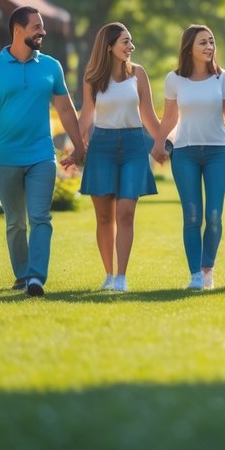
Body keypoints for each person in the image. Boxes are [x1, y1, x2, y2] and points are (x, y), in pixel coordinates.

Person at [0, 6, 86, 298]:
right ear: (18, 30)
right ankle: (22, 273)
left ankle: (36, 277)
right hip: (6, 157)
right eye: (36, 27)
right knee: (16, 221)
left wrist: (80, 146)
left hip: (42, 155)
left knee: (40, 217)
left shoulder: (51, 66)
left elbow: (66, 108)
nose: (42, 32)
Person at [157, 25, 225, 290]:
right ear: (189, 48)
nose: (209, 47)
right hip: (185, 151)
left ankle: (207, 267)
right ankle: (194, 275)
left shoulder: (223, 78)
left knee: (213, 214)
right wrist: (158, 143)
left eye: (211, 42)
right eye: (203, 43)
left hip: (217, 152)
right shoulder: (174, 80)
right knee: (191, 215)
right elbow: (170, 118)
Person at [76, 22, 162, 293]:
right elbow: (86, 115)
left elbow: (148, 114)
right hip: (102, 146)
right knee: (104, 218)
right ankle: (109, 274)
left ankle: (122, 276)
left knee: (126, 213)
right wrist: (77, 147)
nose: (130, 46)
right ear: (109, 46)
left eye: (131, 41)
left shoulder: (138, 74)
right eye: (125, 41)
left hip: (134, 145)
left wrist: (163, 142)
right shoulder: (92, 77)